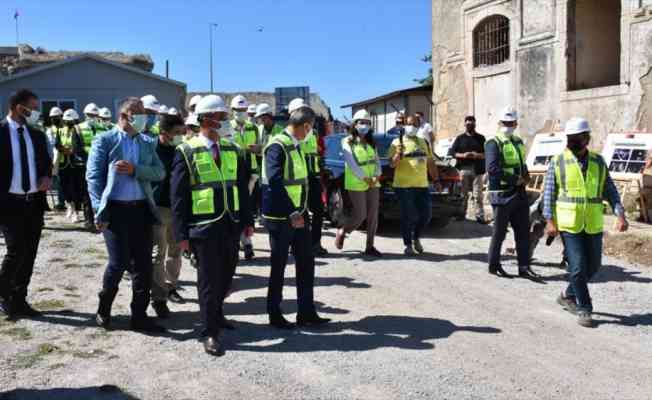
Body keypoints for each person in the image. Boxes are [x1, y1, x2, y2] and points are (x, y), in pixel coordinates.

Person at [170, 95, 254, 355]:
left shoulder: (233, 150)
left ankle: (217, 316)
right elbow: (178, 195)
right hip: (203, 226)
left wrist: (248, 221)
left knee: (226, 276)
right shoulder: (186, 150)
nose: (226, 121)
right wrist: (181, 234)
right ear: (206, 120)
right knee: (207, 281)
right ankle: (209, 332)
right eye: (221, 117)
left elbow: (242, 187)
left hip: (230, 224)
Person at [86, 97, 166, 333]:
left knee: (143, 265)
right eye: (140, 113)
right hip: (116, 211)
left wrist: (136, 170)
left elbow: (159, 173)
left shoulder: (146, 143)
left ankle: (139, 316)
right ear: (125, 115)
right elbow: (93, 177)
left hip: (141, 210)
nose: (145, 117)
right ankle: (104, 308)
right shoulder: (105, 140)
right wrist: (99, 209)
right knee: (118, 262)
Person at [543, 118, 628, 327]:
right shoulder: (558, 161)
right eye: (570, 139)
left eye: (577, 138)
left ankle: (568, 295)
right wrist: (549, 221)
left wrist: (620, 214)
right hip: (569, 223)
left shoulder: (599, 162)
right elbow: (549, 194)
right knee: (578, 266)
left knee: (594, 266)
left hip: (592, 222)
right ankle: (585, 308)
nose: (572, 142)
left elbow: (610, 190)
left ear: (586, 138)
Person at [261, 103, 331, 330]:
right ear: (306, 125)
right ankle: (275, 313)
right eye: (311, 128)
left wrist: (303, 210)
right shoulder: (277, 146)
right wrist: (291, 211)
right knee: (279, 266)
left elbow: (300, 181)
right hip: (281, 217)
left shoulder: (296, 145)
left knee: (306, 263)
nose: (311, 133)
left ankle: (306, 312)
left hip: (299, 215)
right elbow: (274, 181)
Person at [0, 89, 52, 319]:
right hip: (9, 203)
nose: (35, 112)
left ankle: (19, 299)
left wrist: (47, 176)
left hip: (33, 202)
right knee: (15, 251)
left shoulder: (37, 135)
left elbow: (46, 163)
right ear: (18, 106)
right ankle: (4, 295)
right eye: (32, 106)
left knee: (29, 253)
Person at [485, 107, 539, 279]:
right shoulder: (493, 142)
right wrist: (515, 179)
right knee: (500, 232)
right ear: (499, 123)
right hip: (501, 193)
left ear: (516, 123)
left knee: (523, 231)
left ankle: (524, 267)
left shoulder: (517, 141)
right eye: (505, 123)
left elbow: (522, 163)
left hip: (520, 193)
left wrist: (526, 175)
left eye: (511, 123)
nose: (508, 126)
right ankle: (494, 265)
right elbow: (492, 169)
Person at [150, 114, 187, 318]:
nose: (182, 136)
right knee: (158, 254)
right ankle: (158, 297)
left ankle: (171, 286)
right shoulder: (151, 150)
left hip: (178, 209)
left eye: (183, 132)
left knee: (176, 250)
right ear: (164, 133)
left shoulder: (182, 150)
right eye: (177, 133)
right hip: (157, 208)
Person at [388, 115, 440, 255]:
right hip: (403, 186)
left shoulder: (424, 142)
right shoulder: (396, 142)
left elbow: (430, 163)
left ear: (419, 127)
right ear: (404, 125)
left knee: (426, 215)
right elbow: (391, 164)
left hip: (422, 185)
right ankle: (407, 244)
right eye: (410, 124)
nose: (412, 127)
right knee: (408, 215)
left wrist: (436, 180)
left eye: (415, 124)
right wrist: (398, 154)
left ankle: (416, 237)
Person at [335, 109, 382, 257]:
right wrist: (364, 177)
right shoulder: (347, 141)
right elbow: (351, 163)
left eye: (368, 123)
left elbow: (377, 162)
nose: (365, 125)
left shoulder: (371, 142)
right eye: (362, 122)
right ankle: (343, 230)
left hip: (373, 183)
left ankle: (370, 246)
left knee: (373, 215)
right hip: (356, 183)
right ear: (355, 124)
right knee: (360, 215)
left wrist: (377, 175)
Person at [288, 98, 328, 257]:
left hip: (313, 177)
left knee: (318, 210)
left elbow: (318, 152)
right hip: (297, 179)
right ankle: (293, 243)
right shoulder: (289, 135)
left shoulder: (313, 133)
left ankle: (315, 243)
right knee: (297, 211)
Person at [230, 95, 261, 260]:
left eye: (243, 110)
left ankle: (247, 242)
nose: (240, 113)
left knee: (247, 209)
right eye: (237, 110)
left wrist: (255, 173)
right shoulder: (227, 127)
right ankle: (241, 242)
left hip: (250, 172)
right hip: (234, 172)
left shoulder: (253, 128)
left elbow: (258, 149)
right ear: (232, 110)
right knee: (236, 208)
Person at [449, 115, 487, 224]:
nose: (470, 124)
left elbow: (486, 153)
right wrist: (463, 155)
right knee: (463, 194)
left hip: (477, 169)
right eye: (468, 122)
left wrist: (477, 155)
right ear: (465, 124)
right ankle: (461, 214)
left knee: (478, 194)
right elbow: (451, 152)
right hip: (463, 169)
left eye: (472, 122)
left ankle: (479, 216)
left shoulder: (481, 138)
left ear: (475, 124)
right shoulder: (460, 138)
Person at [57, 109, 86, 223]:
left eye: (71, 121)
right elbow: (57, 143)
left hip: (76, 163)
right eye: (67, 121)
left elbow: (81, 144)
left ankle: (76, 211)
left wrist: (72, 151)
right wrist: (63, 150)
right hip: (64, 163)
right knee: (65, 186)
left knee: (76, 187)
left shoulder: (79, 130)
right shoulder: (61, 130)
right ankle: (70, 205)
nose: (69, 123)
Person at [45, 107, 66, 210]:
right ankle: (61, 202)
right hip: (55, 159)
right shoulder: (50, 130)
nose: (54, 119)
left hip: (67, 159)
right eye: (52, 117)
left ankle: (71, 202)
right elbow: (49, 145)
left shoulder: (67, 128)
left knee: (65, 182)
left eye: (56, 117)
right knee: (58, 182)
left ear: (61, 117)